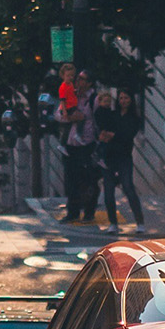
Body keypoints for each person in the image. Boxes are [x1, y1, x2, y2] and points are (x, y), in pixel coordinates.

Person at [97, 89, 145, 232]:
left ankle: (140, 222)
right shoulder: (113, 115)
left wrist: (114, 135)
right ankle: (113, 223)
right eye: (121, 98)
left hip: (124, 157)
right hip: (109, 157)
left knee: (129, 188)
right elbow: (102, 123)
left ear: (131, 100)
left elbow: (128, 134)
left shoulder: (134, 118)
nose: (123, 101)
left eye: (126, 98)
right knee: (109, 192)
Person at [57, 70, 98, 223]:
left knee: (88, 179)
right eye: (78, 79)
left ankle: (89, 212)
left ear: (89, 83)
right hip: (71, 144)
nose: (78, 82)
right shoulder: (70, 95)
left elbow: (99, 119)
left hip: (87, 144)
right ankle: (72, 212)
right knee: (71, 179)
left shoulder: (94, 99)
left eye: (82, 79)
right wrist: (68, 117)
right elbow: (58, 114)